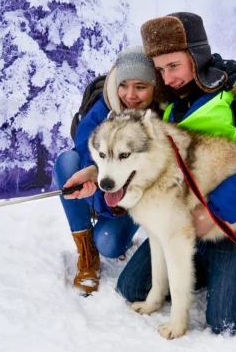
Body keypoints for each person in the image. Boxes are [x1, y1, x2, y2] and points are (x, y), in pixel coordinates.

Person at [115, 12, 236, 334]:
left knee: (229, 319)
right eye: (160, 70)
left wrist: (214, 212)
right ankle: (213, 269)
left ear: (197, 54)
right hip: (193, 222)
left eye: (173, 65)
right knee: (135, 287)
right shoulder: (175, 106)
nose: (168, 77)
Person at [55, 45, 164, 295]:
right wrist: (93, 173)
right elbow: (85, 149)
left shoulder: (163, 115)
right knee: (67, 161)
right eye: (123, 85)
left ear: (155, 86)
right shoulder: (104, 107)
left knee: (110, 245)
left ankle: (108, 233)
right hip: (104, 189)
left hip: (135, 200)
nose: (130, 95)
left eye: (141, 86)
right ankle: (86, 254)